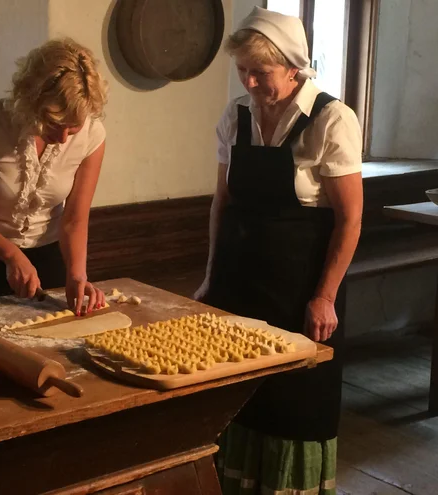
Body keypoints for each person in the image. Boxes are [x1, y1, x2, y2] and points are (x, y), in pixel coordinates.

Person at [194, 7, 363, 494]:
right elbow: (221, 203)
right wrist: (211, 277)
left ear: (293, 66)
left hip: (299, 294)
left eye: (260, 72)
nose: (248, 81)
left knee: (293, 405)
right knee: (235, 402)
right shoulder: (237, 115)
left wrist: (325, 297)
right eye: (242, 70)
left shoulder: (331, 119)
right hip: (239, 287)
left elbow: (350, 219)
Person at [0, 38, 107, 315]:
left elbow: (74, 218)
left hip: (51, 258)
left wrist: (77, 275)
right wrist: (11, 254)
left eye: (72, 128)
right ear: (31, 100)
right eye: (53, 123)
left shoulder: (92, 136)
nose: (61, 138)